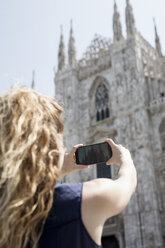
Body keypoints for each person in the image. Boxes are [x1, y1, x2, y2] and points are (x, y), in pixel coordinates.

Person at [0, 84, 137, 248]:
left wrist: (56, 166)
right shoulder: (79, 201)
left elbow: (27, 188)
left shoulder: (6, 212)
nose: (64, 147)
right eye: (60, 140)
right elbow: (126, 184)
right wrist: (125, 158)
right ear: (48, 144)